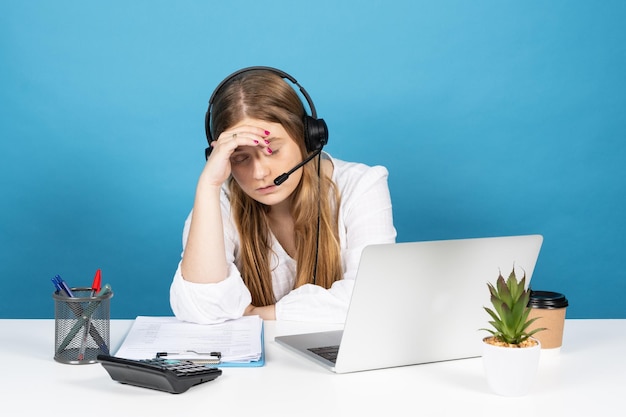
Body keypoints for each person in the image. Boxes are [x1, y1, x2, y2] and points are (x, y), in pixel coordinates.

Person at [170, 66, 396, 324]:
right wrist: (208, 185)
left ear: (307, 137)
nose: (259, 173)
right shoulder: (220, 201)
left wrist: (260, 314)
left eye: (272, 150)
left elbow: (374, 299)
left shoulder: (362, 185)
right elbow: (200, 308)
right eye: (240, 158)